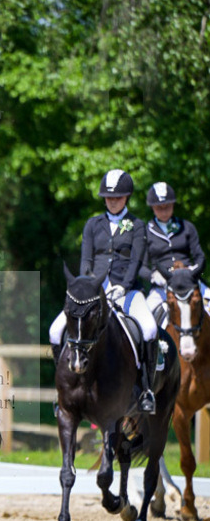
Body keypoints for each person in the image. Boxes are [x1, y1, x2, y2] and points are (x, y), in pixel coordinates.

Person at [48, 169, 159, 413]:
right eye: (108, 197)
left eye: (117, 197)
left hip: (127, 291)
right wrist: (87, 285)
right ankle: (63, 390)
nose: (112, 200)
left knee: (150, 329)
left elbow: (135, 262)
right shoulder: (92, 224)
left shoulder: (138, 226)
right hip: (93, 292)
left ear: (126, 197)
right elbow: (86, 261)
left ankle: (146, 389)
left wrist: (123, 286)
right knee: (55, 331)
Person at [141, 182, 210, 328]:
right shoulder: (145, 233)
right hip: (162, 285)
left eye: (168, 206)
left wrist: (193, 271)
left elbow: (199, 256)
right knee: (145, 324)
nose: (164, 211)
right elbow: (140, 266)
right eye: (159, 208)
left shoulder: (187, 227)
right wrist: (153, 277)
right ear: (152, 207)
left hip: (189, 280)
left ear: (173, 205)